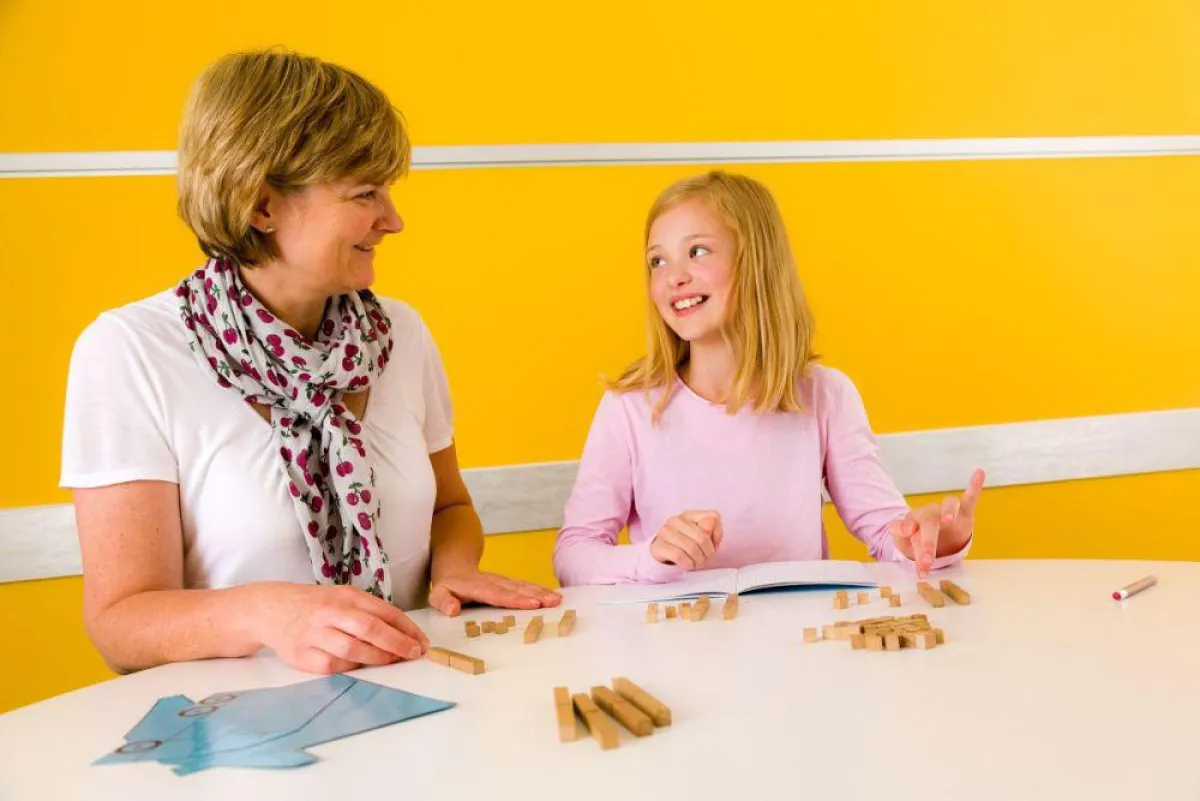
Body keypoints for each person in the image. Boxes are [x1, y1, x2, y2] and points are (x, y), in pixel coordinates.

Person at [61, 50, 559, 676]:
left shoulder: (400, 333)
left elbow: (450, 510)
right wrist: (266, 612)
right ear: (261, 205)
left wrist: (455, 569)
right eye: (365, 193)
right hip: (241, 726)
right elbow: (120, 624)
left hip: (425, 700)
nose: (393, 220)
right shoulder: (130, 351)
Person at [552, 170, 985, 586]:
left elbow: (885, 530)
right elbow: (573, 557)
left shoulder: (825, 395)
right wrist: (651, 557)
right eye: (657, 260)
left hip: (799, 632)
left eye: (697, 251)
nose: (674, 276)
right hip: (679, 635)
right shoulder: (629, 408)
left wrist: (930, 542)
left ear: (756, 261)